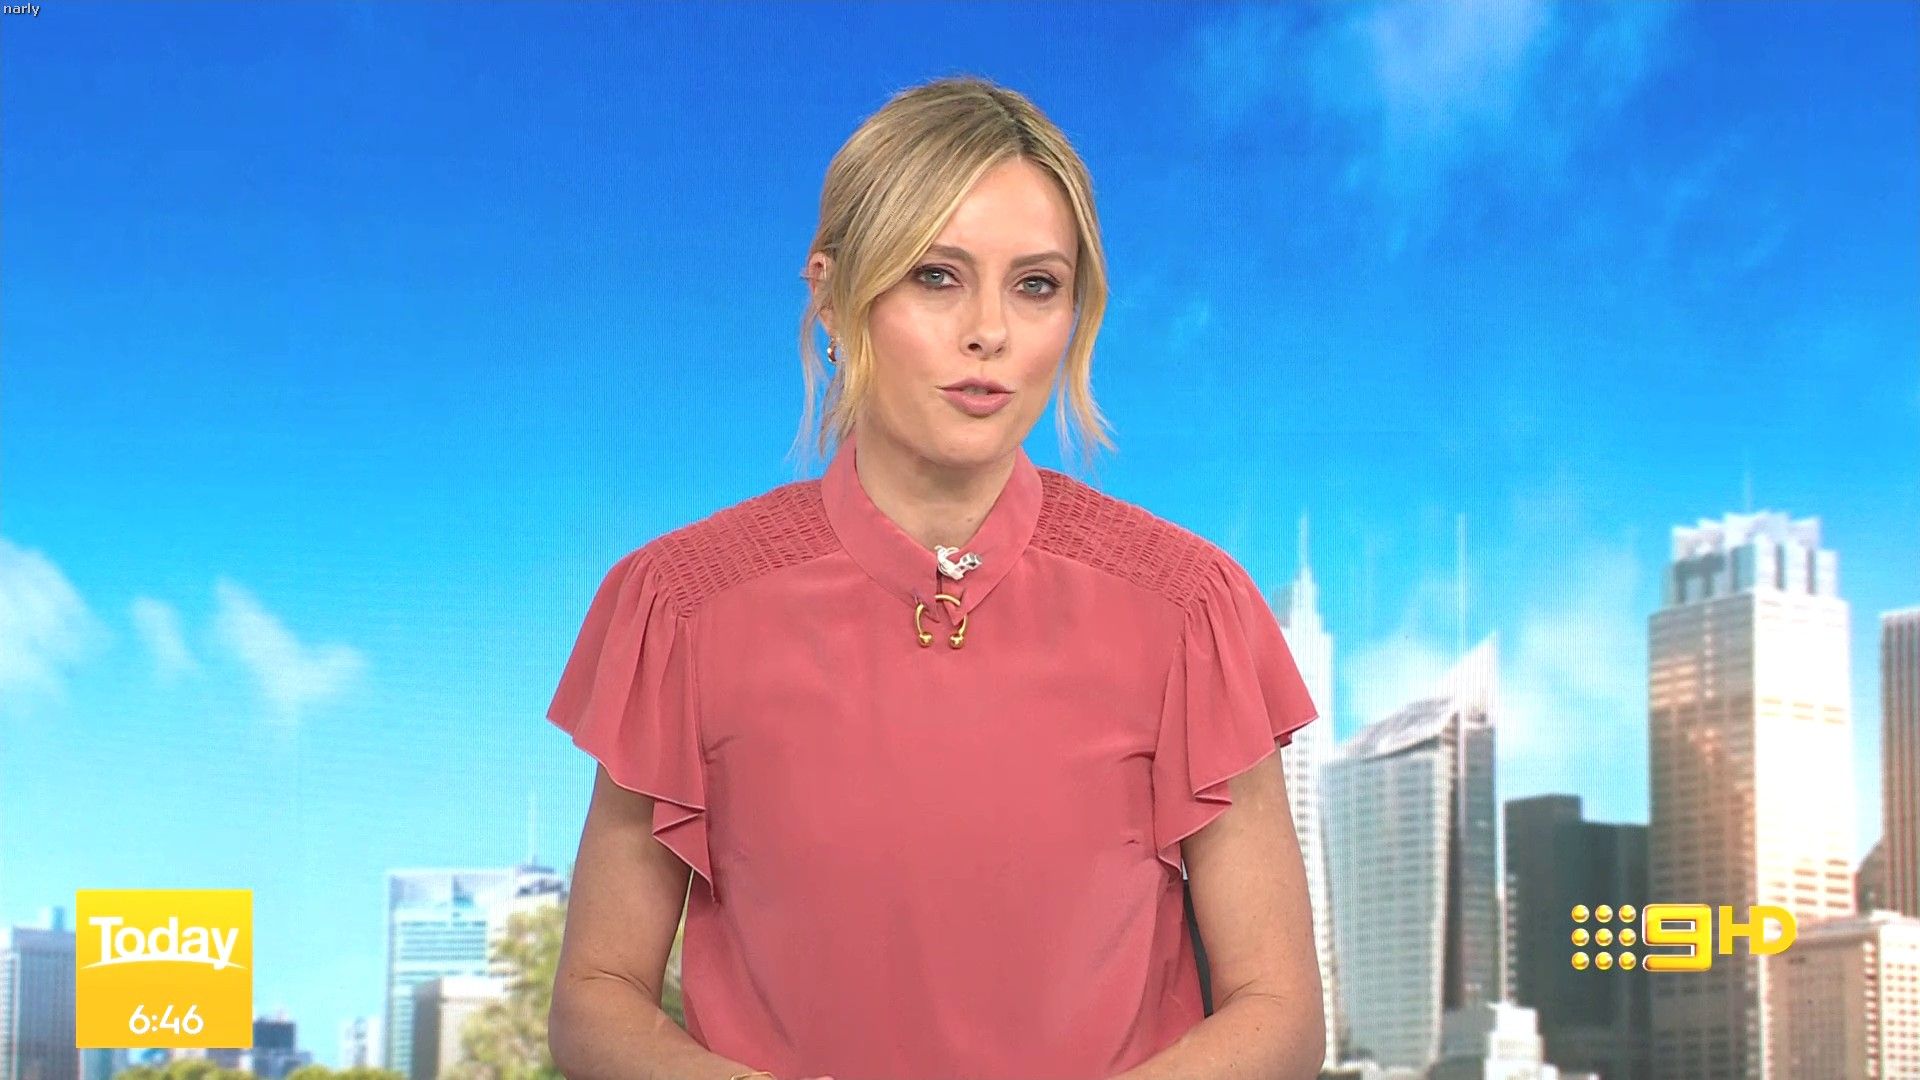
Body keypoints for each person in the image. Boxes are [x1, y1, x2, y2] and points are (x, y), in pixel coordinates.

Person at [544, 74, 1326, 1080]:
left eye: (1035, 285)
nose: (988, 331)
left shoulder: (1191, 607)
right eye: (937, 275)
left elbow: (1279, 1013)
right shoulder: (679, 606)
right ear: (832, 295)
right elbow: (597, 996)